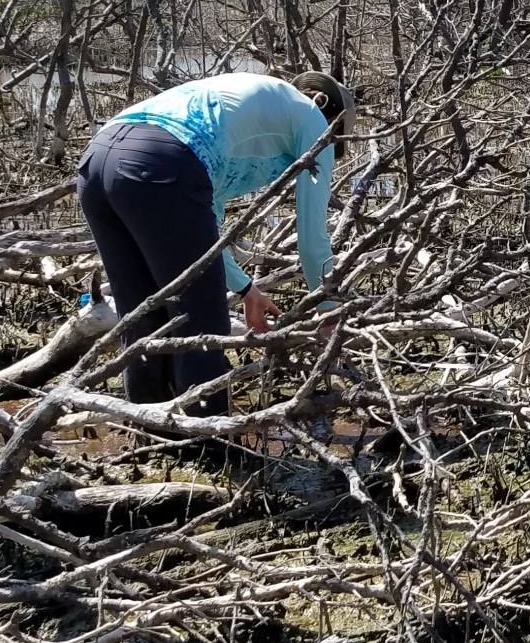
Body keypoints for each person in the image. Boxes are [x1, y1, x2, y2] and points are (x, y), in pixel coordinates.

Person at [75, 71, 351, 416]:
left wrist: (246, 290)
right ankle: (209, 441)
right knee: (200, 321)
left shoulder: (254, 106)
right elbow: (313, 240)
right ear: (332, 120)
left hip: (97, 159)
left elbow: (210, 228)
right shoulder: (313, 120)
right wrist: (328, 310)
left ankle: (151, 432)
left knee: (142, 311)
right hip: (160, 161)